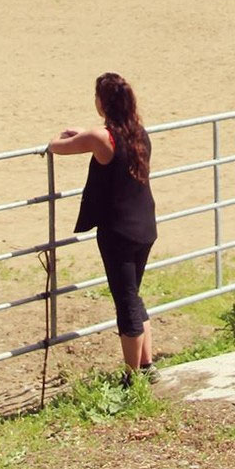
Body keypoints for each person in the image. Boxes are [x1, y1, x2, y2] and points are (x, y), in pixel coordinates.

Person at [49, 73, 158, 376]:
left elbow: (57, 146)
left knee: (125, 304)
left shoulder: (100, 138)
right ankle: (147, 365)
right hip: (145, 226)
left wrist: (68, 137)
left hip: (118, 232)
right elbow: (106, 140)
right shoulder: (138, 132)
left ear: (102, 102)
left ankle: (132, 377)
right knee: (132, 295)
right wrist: (85, 133)